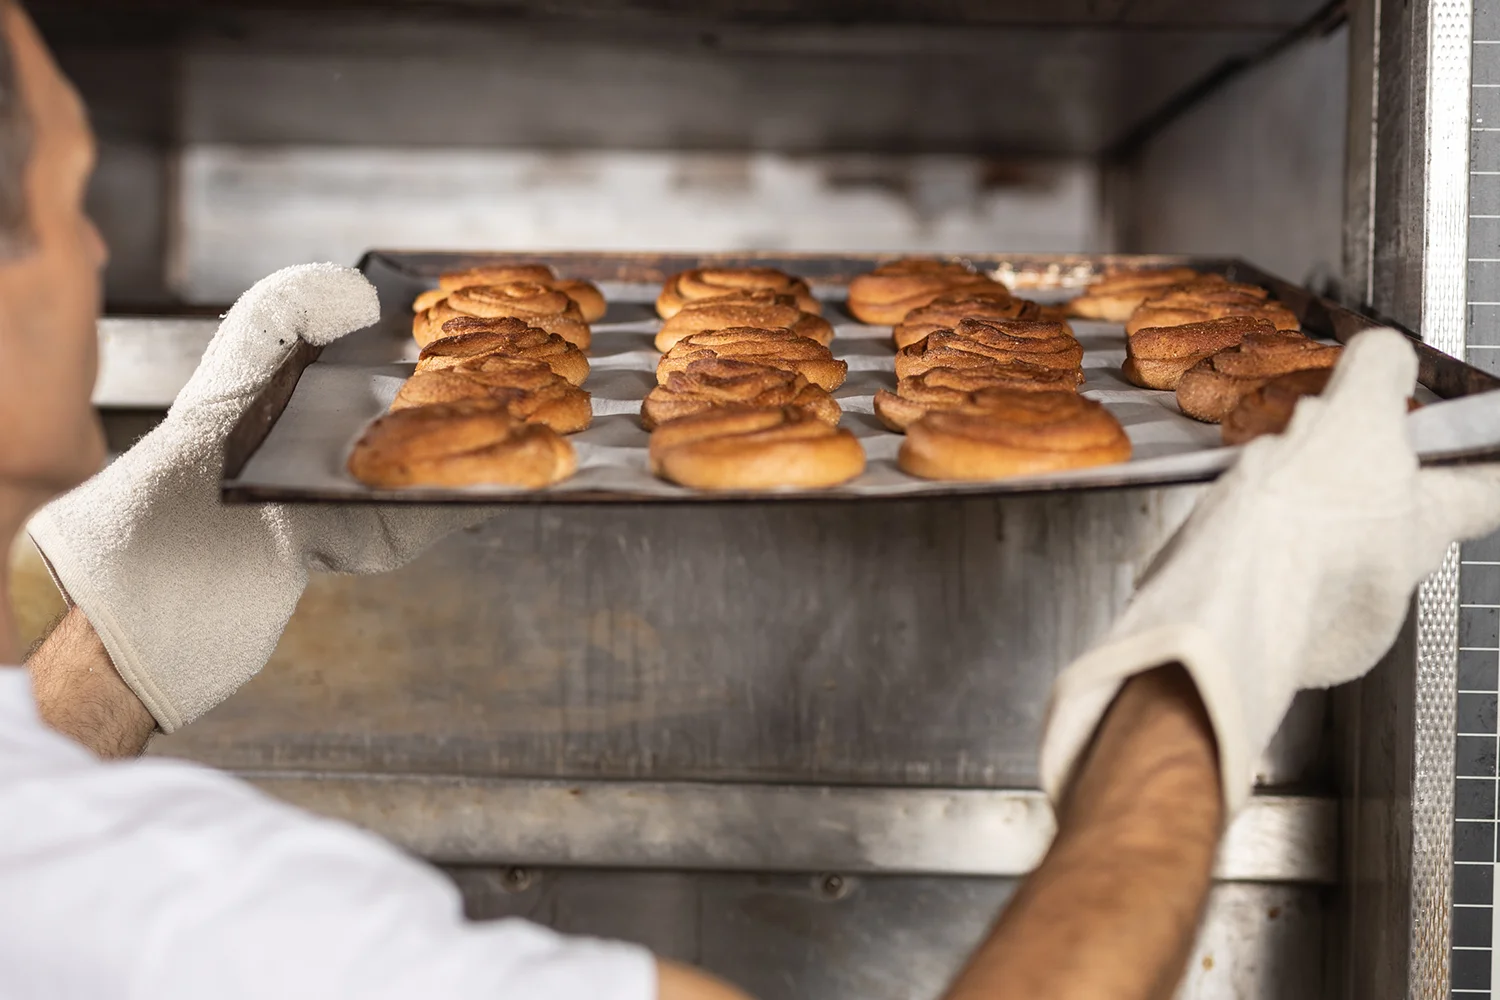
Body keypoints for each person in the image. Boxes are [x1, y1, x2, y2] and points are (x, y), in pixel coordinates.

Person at [1, 1, 1498, 996]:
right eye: (70, 213)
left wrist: (120, 642)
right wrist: (1202, 673)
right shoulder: (196, 912)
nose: (89, 259)